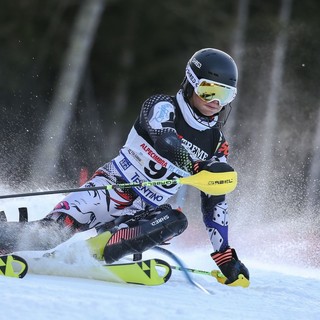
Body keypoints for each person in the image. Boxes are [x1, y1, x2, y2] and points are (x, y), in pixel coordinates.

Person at [0, 48, 249, 285]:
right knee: (48, 236)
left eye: (225, 95)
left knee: (175, 221)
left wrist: (225, 255)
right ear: (192, 82)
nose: (216, 102)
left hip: (141, 214)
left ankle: (92, 253)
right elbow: (166, 140)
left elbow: (215, 200)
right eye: (208, 91)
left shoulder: (216, 144)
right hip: (109, 190)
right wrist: (194, 166)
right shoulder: (163, 106)